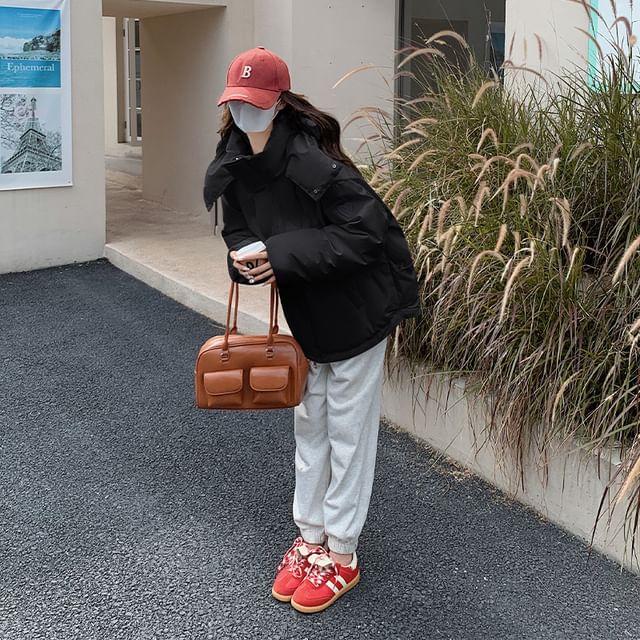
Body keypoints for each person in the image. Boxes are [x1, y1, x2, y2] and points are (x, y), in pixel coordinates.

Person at [203, 46, 420, 614]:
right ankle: (310, 538)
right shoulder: (235, 163)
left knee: (347, 435)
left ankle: (342, 553)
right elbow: (238, 231)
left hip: (356, 312)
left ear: (279, 103)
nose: (246, 112)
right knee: (310, 428)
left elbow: (368, 233)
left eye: (257, 102)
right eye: (237, 101)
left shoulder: (313, 162)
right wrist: (245, 261)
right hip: (307, 315)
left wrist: (278, 253)